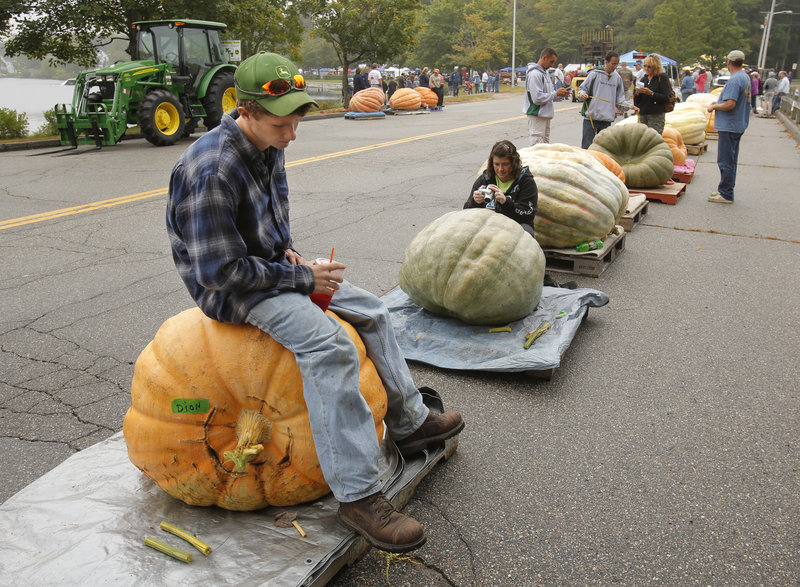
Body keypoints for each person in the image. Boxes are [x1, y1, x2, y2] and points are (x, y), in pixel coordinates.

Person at [166, 52, 464, 552]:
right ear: (245, 109)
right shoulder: (212, 170)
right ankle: (358, 496)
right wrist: (301, 277)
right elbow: (219, 272)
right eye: (282, 124)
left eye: (296, 121)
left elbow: (268, 229)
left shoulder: (266, 144)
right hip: (233, 292)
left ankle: (410, 423)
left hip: (270, 268)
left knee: (371, 308)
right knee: (330, 347)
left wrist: (293, 257)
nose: (292, 134)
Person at [464, 140, 537, 237]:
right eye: (496, 164)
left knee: (526, 232)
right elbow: (466, 212)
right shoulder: (485, 179)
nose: (500, 169)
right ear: (491, 163)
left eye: (505, 164)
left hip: (514, 228)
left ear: (513, 163)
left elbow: (528, 215)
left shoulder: (525, 181)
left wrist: (506, 202)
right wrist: (475, 202)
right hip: (488, 227)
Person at [707, 50, 750, 204]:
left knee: (725, 161)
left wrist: (715, 107)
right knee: (730, 159)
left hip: (729, 125)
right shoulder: (745, 77)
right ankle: (724, 189)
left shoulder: (734, 80)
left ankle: (726, 193)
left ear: (729, 62)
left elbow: (730, 104)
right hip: (738, 123)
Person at [578, 51, 636, 149]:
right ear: (606, 62)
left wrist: (630, 106)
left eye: (617, 64)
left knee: (604, 149)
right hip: (591, 118)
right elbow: (582, 89)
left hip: (606, 120)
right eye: (613, 64)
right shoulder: (594, 74)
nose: (615, 66)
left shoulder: (617, 78)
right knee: (587, 148)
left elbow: (620, 99)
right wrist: (582, 94)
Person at [523, 47, 571, 145]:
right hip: (537, 115)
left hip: (545, 115)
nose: (552, 65)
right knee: (537, 145)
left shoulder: (545, 73)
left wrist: (560, 94)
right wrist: (555, 93)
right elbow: (537, 98)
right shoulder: (534, 74)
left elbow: (550, 95)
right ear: (544, 58)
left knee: (545, 146)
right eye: (551, 61)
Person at [634, 53, 672, 133]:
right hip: (643, 114)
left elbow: (665, 97)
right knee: (641, 140)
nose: (646, 69)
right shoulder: (644, 79)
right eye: (645, 66)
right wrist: (637, 93)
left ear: (655, 67)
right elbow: (637, 101)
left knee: (653, 140)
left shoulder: (662, 78)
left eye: (649, 67)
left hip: (656, 115)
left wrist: (651, 93)